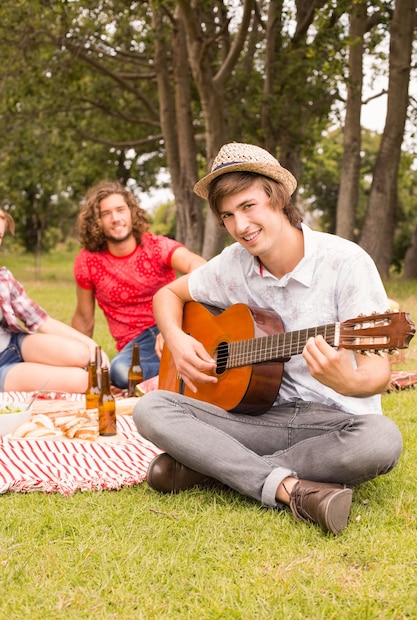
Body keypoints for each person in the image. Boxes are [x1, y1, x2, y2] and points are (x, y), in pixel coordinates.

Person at [133, 142, 403, 536]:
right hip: (258, 418)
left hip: (333, 424)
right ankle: (289, 488)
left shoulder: (346, 263)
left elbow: (377, 374)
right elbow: (167, 294)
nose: (241, 226)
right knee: (151, 407)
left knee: (382, 440)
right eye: (227, 215)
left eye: (248, 206)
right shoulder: (233, 265)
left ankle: (213, 468)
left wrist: (347, 381)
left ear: (276, 198)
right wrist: (174, 337)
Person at [72, 180, 206, 389]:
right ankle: (184, 373)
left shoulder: (157, 246)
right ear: (96, 221)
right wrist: (77, 359)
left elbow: (197, 264)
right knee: (120, 372)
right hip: (137, 343)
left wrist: (171, 328)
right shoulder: (87, 261)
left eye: (120, 210)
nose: (115, 219)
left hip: (175, 323)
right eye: (106, 213)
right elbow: (83, 318)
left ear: (132, 213)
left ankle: (181, 371)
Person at [0, 209, 108, 394]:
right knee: (81, 381)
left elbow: (42, 320)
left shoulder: (3, 278)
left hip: (15, 343)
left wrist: (92, 345)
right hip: (3, 366)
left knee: (82, 353)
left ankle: (36, 365)